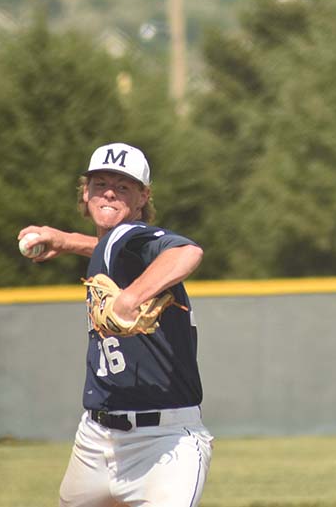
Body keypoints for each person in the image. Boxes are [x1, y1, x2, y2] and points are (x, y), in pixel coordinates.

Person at [18, 142, 212, 507]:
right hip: (95, 439)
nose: (109, 191)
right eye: (100, 183)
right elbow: (107, 246)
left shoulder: (132, 236)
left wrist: (130, 297)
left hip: (164, 445)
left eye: (123, 186)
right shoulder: (112, 247)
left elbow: (188, 252)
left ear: (143, 197)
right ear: (86, 192)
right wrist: (66, 240)